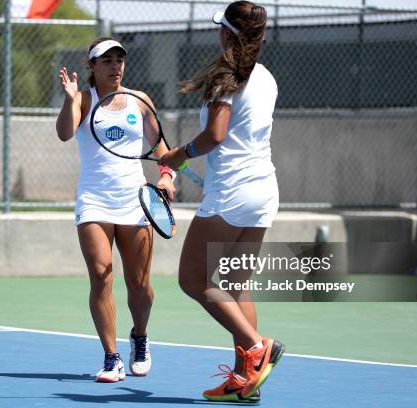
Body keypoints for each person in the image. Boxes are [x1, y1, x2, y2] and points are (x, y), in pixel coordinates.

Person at [158, 1, 284, 403]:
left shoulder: (225, 76)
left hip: (231, 193)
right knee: (234, 285)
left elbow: (215, 135)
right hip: (264, 191)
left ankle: (256, 347)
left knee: (192, 280)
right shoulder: (266, 78)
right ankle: (244, 381)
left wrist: (179, 155)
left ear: (228, 34)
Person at [56, 37, 175, 383]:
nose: (115, 66)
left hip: (136, 201)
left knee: (140, 285)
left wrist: (166, 177)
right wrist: (68, 100)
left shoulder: (140, 102)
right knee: (101, 274)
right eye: (106, 60)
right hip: (94, 200)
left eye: (119, 59)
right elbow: (65, 133)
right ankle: (112, 358)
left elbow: (162, 148)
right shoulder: (81, 100)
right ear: (92, 66)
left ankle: (139, 335)